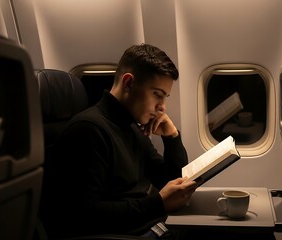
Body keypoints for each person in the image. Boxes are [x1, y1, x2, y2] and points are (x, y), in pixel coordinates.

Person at [44, 43, 200, 239]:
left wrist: (172, 136)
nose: (162, 108)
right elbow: (85, 213)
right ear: (128, 83)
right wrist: (158, 203)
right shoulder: (87, 130)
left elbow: (171, 180)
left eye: (165, 97)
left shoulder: (133, 127)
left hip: (145, 226)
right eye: (157, 95)